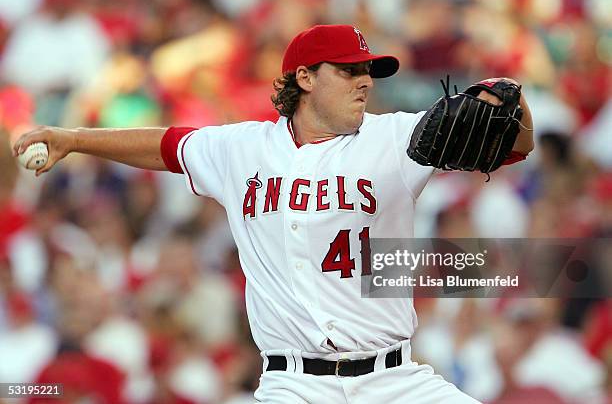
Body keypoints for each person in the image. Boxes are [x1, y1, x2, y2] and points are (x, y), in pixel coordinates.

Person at [13, 24, 534, 403]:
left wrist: (516, 106)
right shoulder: (243, 149)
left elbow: (517, 147)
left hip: (394, 380)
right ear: (304, 78)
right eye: (348, 71)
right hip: (295, 385)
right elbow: (165, 147)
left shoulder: (396, 137)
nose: (364, 82)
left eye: (368, 72)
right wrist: (74, 137)